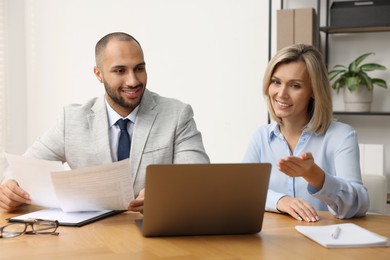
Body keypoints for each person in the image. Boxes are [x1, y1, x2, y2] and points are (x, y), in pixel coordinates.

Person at [0, 32, 210, 212]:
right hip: (94, 238)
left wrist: (167, 192)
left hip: (156, 234)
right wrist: (10, 185)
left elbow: (198, 178)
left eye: (139, 68)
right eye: (120, 71)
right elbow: (22, 169)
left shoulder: (177, 114)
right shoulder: (71, 121)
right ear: (98, 74)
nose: (133, 81)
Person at [243, 44, 369, 222]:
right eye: (276, 82)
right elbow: (244, 191)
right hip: (274, 241)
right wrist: (280, 201)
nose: (281, 94)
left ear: (314, 92)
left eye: (295, 86)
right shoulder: (261, 136)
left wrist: (316, 176)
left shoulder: (342, 136)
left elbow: (359, 205)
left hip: (326, 240)